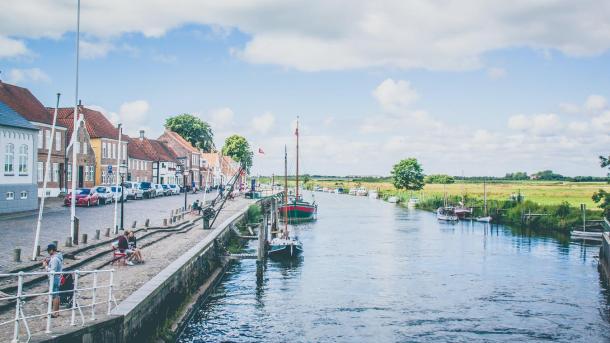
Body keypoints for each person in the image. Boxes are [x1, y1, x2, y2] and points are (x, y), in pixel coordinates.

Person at [42, 243, 63, 317]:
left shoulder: (54, 259)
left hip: (54, 278)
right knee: (56, 295)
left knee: (55, 295)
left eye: (48, 250)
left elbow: (52, 271)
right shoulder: (57, 258)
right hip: (57, 278)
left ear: (51, 250)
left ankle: (54, 313)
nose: (48, 252)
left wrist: (46, 266)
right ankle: (56, 312)